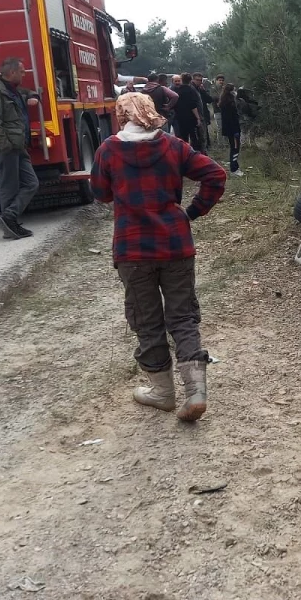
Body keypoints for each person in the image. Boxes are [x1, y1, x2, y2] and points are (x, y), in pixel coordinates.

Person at [90, 92, 226, 420]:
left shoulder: (109, 149)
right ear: (151, 112)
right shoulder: (173, 145)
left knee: (146, 319)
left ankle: (163, 392)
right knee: (182, 317)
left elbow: (100, 193)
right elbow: (215, 175)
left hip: (132, 250)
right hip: (176, 245)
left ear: (121, 116)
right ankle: (195, 392)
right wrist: (191, 212)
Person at [0, 58, 39, 240]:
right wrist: (5, 146)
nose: (24, 75)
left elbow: (27, 92)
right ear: (12, 73)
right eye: (21, 72)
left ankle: (9, 216)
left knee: (32, 183)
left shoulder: (12, 90)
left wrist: (33, 96)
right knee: (9, 187)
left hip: (19, 145)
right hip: (6, 148)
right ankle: (10, 224)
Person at [174, 72, 205, 151]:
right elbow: (193, 105)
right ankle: (194, 152)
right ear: (190, 80)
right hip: (191, 117)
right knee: (193, 136)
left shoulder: (177, 90)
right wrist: (198, 117)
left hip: (180, 117)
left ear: (181, 80)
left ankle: (184, 151)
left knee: (184, 136)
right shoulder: (191, 90)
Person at [218, 83, 243, 177]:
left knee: (234, 148)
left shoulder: (224, 102)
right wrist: (236, 131)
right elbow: (231, 119)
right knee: (235, 148)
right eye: (234, 90)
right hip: (233, 130)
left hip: (230, 130)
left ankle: (235, 166)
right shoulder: (230, 104)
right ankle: (234, 169)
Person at [193, 73, 213, 149]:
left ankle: (204, 149)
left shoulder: (200, 90)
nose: (199, 82)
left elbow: (209, 99)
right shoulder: (192, 89)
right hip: (194, 115)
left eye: (200, 80)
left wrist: (203, 91)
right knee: (196, 136)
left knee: (203, 135)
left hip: (202, 114)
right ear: (193, 80)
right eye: (197, 80)